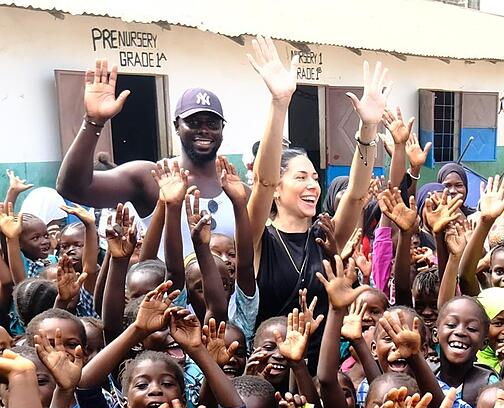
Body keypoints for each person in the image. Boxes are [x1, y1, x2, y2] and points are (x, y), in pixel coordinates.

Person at [245, 36, 387, 370]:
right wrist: (280, 103)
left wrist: (368, 127)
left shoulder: (327, 234)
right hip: (272, 368)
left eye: (314, 177)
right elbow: (262, 181)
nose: (312, 185)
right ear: (277, 190)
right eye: (300, 177)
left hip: (322, 370)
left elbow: (355, 192)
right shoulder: (256, 238)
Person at [56, 59, 238, 258]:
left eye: (212, 123)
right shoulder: (151, 177)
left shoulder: (235, 189)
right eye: (193, 122)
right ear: (177, 126)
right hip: (171, 289)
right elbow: (72, 188)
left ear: (222, 129)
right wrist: (94, 122)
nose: (203, 129)